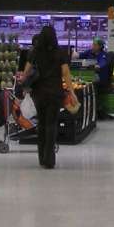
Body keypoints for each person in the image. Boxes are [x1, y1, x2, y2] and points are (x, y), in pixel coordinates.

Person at [22, 26, 75, 169]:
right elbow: (66, 74)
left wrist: (24, 85)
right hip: (55, 93)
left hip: (39, 93)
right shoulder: (60, 53)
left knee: (42, 124)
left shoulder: (34, 52)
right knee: (51, 125)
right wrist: (72, 92)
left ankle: (41, 158)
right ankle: (49, 159)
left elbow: (26, 72)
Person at [90, 38, 114, 120]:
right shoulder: (90, 52)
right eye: (92, 44)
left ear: (100, 46)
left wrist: (97, 66)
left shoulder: (104, 55)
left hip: (101, 81)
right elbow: (78, 55)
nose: (92, 46)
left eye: (95, 45)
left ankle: (97, 111)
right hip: (92, 78)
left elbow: (103, 63)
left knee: (91, 89)